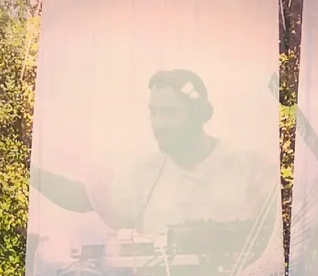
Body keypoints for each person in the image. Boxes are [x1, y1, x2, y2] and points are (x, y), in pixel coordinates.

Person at [31, 69, 278, 240]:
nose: (158, 124)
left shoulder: (249, 167)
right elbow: (81, 198)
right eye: (154, 112)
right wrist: (26, 170)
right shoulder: (142, 173)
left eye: (169, 113)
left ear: (198, 114)